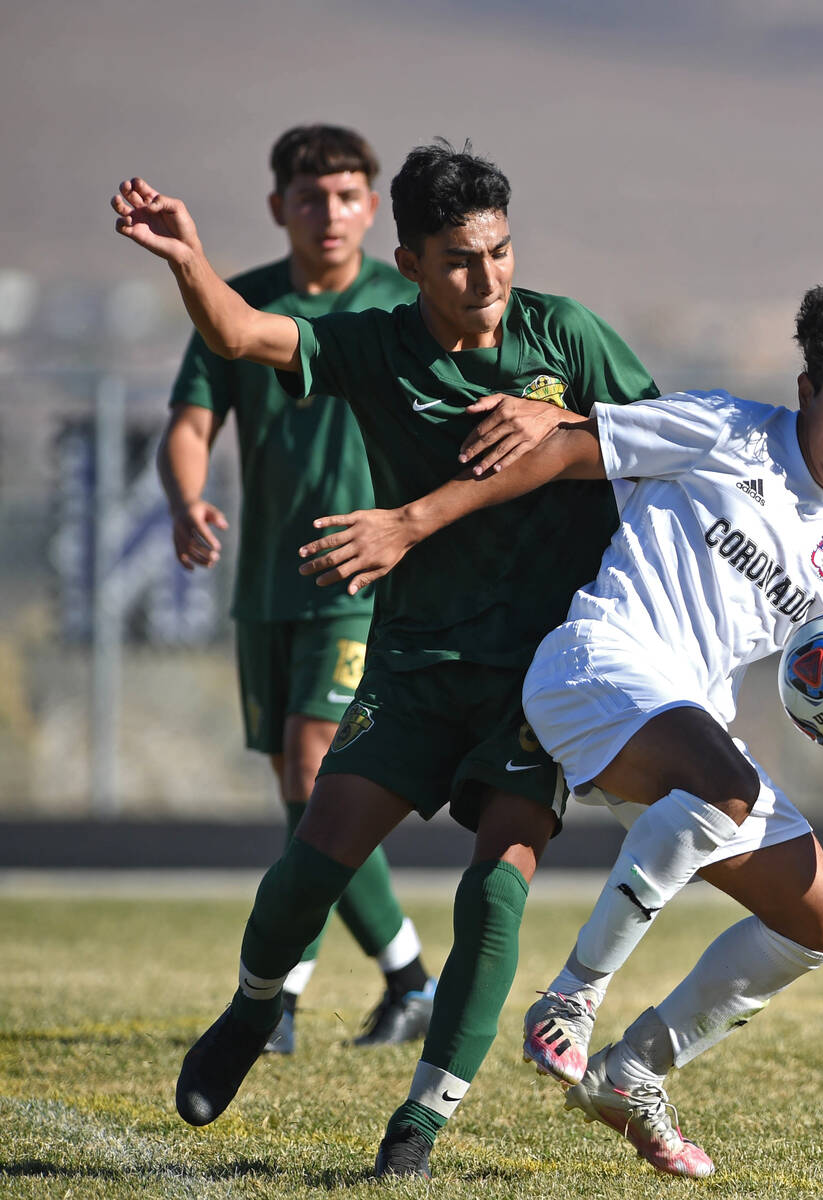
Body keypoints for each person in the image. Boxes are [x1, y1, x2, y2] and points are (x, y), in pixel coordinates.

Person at [297, 261, 823, 1178]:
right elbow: (570, 450)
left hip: (686, 741)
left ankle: (632, 1071)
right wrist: (425, 514)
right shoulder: (728, 431)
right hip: (594, 668)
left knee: (822, 921)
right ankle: (570, 1000)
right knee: (723, 783)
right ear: (806, 390)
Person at [112, 140, 660, 1179]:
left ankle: (419, 1124)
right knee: (313, 852)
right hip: (413, 661)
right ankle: (255, 1004)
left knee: (494, 892)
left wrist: (563, 420)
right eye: (459, 259)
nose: (486, 277)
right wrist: (186, 258)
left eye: (498, 251)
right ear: (408, 264)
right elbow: (238, 332)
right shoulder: (373, 344)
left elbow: (664, 440)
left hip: (542, 679)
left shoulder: (565, 335)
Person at [156, 125, 435, 1057]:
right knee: (297, 783)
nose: (330, 213)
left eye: (349, 195)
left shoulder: (406, 304)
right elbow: (190, 422)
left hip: (363, 583)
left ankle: (293, 993)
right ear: (280, 206)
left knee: (317, 762)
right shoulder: (241, 307)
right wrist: (187, 497)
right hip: (266, 587)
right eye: (311, 197)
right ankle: (395, 981)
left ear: (371, 207)